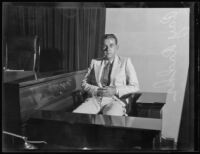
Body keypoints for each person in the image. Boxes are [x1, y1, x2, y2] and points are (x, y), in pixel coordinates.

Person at [73, 34, 139, 116]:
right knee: (75, 116)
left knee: (110, 120)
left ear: (117, 47)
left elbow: (135, 86)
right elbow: (84, 84)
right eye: (105, 46)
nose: (108, 49)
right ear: (101, 48)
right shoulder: (95, 62)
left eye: (111, 46)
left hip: (115, 101)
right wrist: (97, 90)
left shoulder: (125, 62)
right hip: (96, 99)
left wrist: (115, 90)